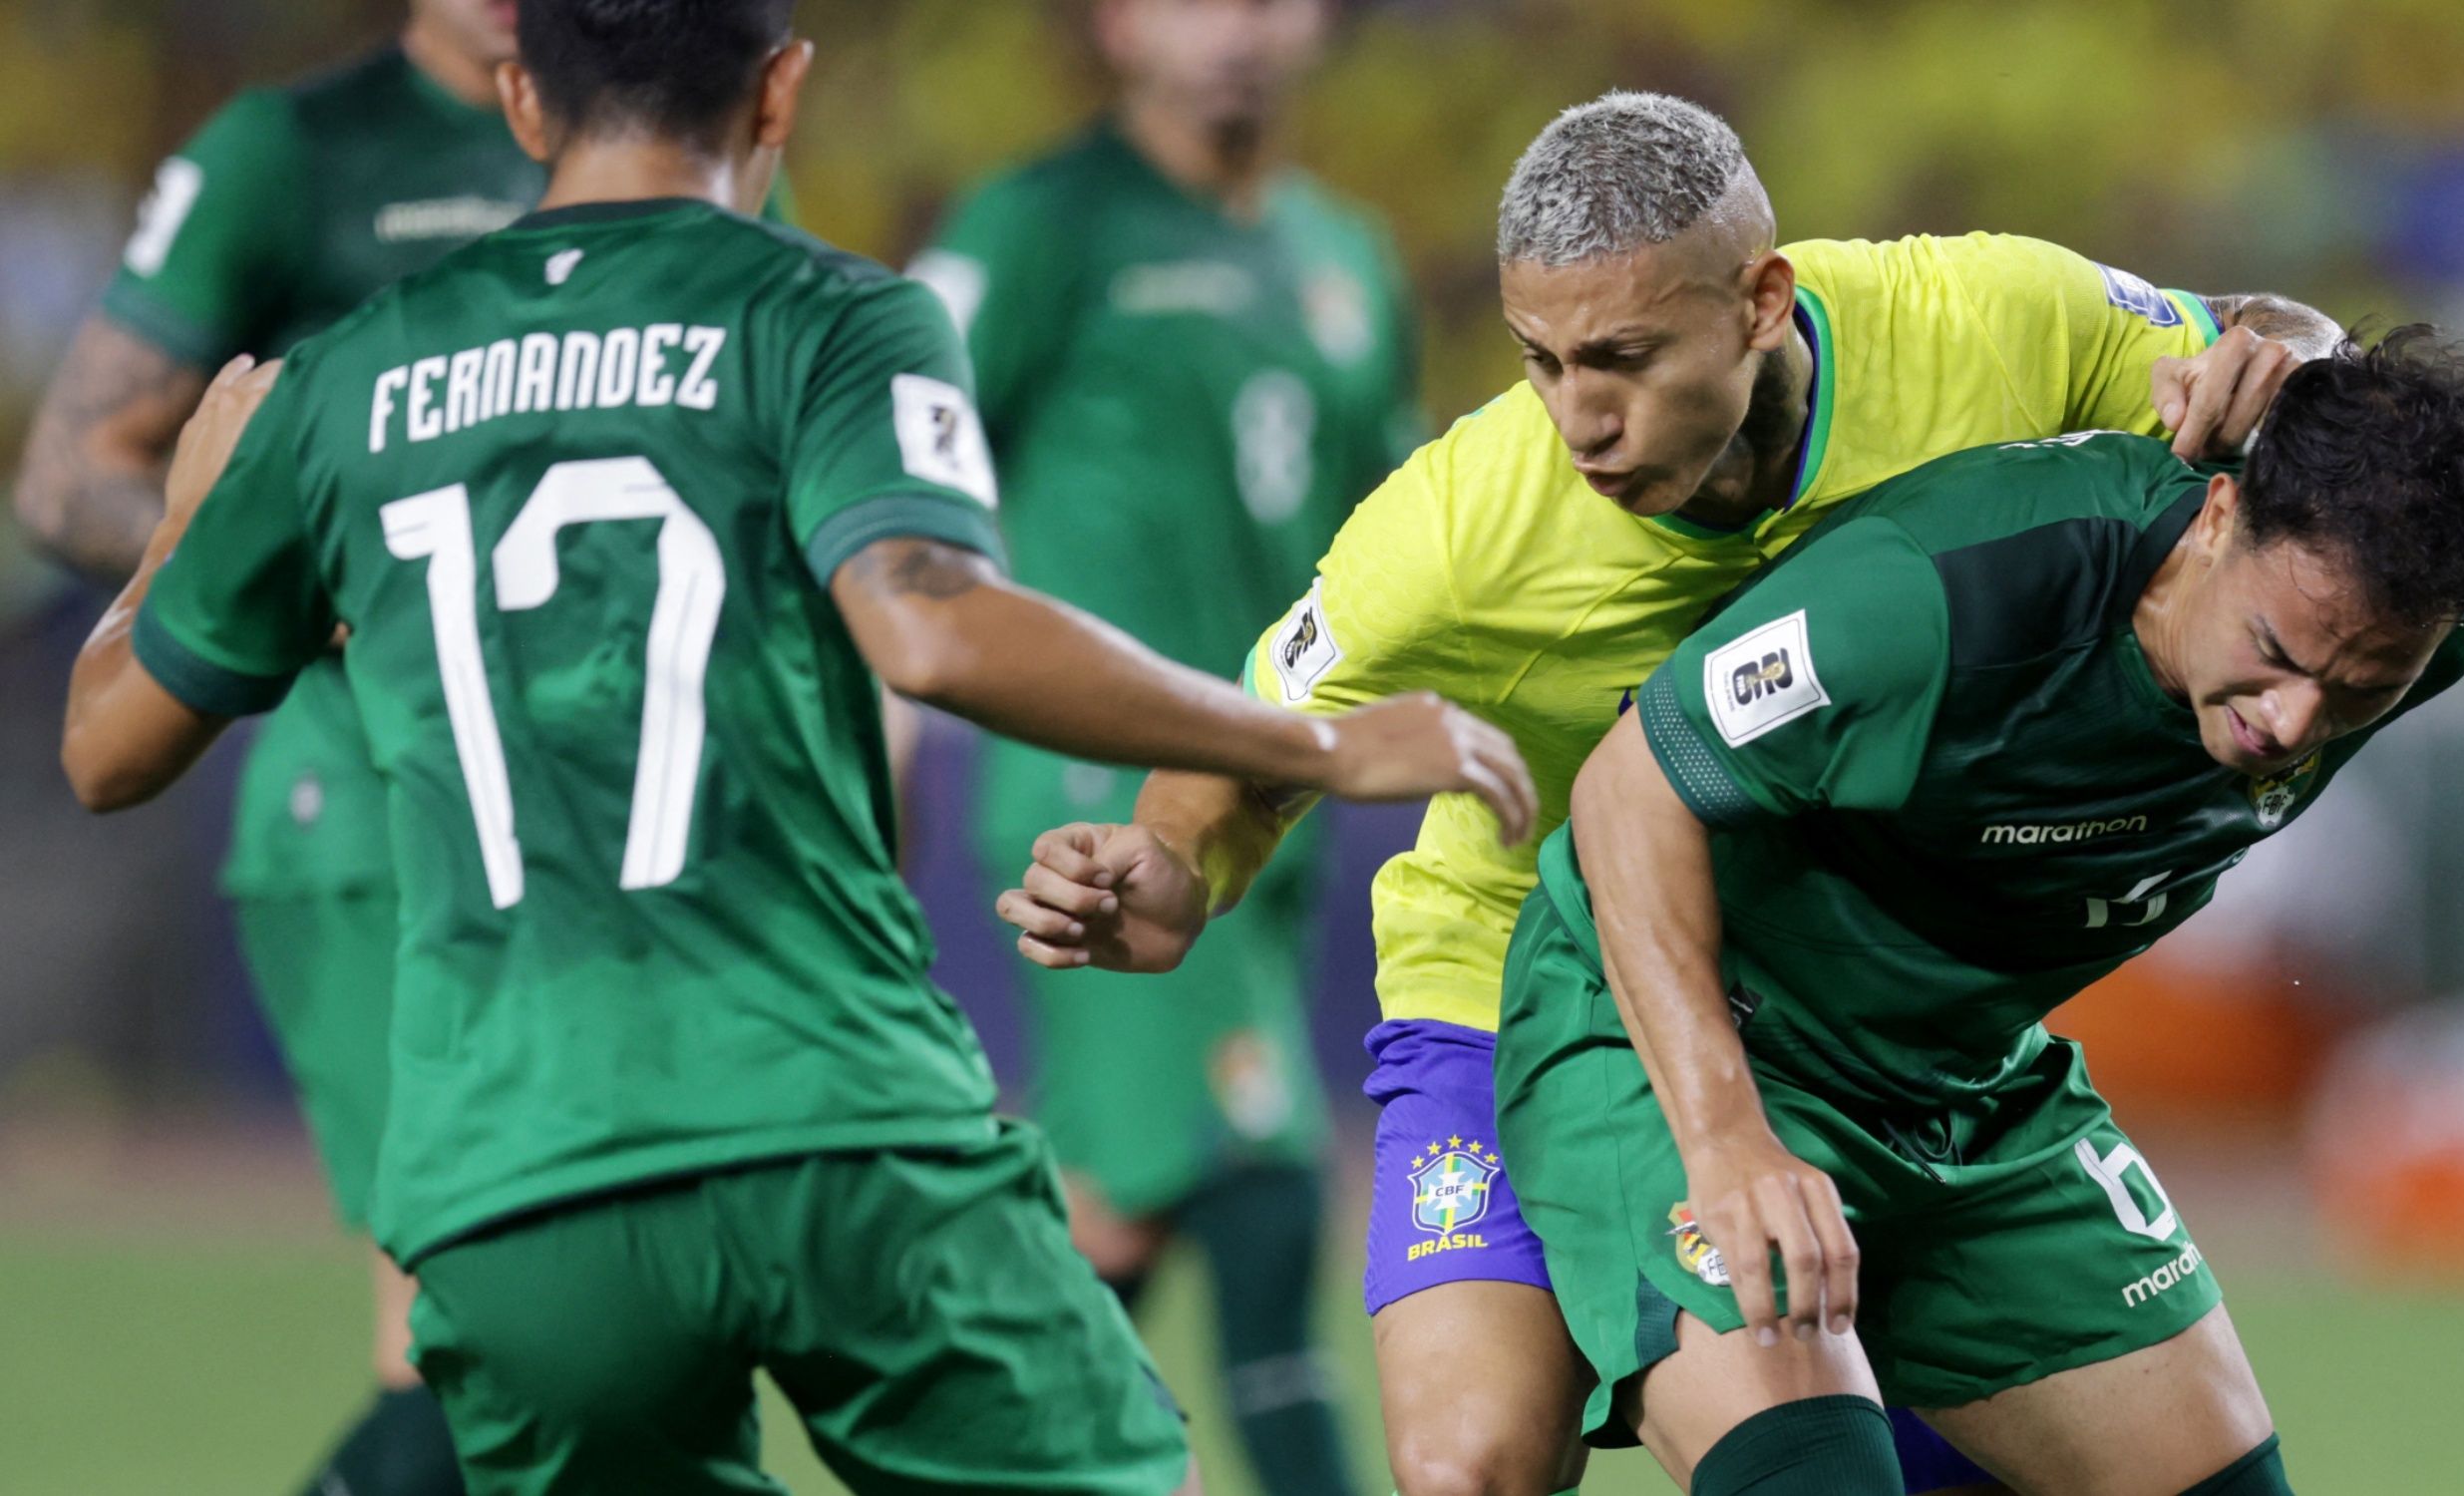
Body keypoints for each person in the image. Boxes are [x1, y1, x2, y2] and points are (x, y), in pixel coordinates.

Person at [57, 3, 1532, 1493]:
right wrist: (1311, 746)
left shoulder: (348, 380)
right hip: (833, 1123)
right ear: (781, 93)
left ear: (518, 100)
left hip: (517, 1177)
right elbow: (938, 631)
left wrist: (181, 531)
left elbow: (106, 750)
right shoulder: (833, 315)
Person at [999, 91, 2332, 1496]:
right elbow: (1249, 736)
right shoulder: (1465, 528)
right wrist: (1168, 867)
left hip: (1844, 996)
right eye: (1542, 361)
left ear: (1763, 300)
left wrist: (2289, 359)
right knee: (1471, 1463)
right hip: (1519, 978)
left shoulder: (1987, 322)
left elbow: (2276, 341)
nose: (1581, 417)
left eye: (1625, 358)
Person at [1494, 328, 2464, 1495]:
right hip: (1700, 1046)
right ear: (2216, 514)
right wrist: (1728, 1139)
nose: (2295, 723)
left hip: (1963, 1082)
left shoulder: (2408, 638)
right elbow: (1630, 793)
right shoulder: (1943, 589)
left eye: (2358, 689)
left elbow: (2334, 391)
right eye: (2275, 652)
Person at [8, 6, 771, 1489]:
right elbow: (69, 473)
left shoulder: (682, 120)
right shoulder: (289, 150)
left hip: (620, 836)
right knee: (466, 1315)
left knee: (603, 1315)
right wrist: (301, 571)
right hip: (361, 807)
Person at [907, 3, 1412, 1489]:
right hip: (1094, 794)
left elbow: (1392, 536)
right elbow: (882, 444)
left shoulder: (1347, 260)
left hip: (1267, 796)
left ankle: (965, 1450)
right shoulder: (1039, 226)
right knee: (1258, 1182)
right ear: (1117, 24)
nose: (1239, 31)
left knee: (1115, 1207)